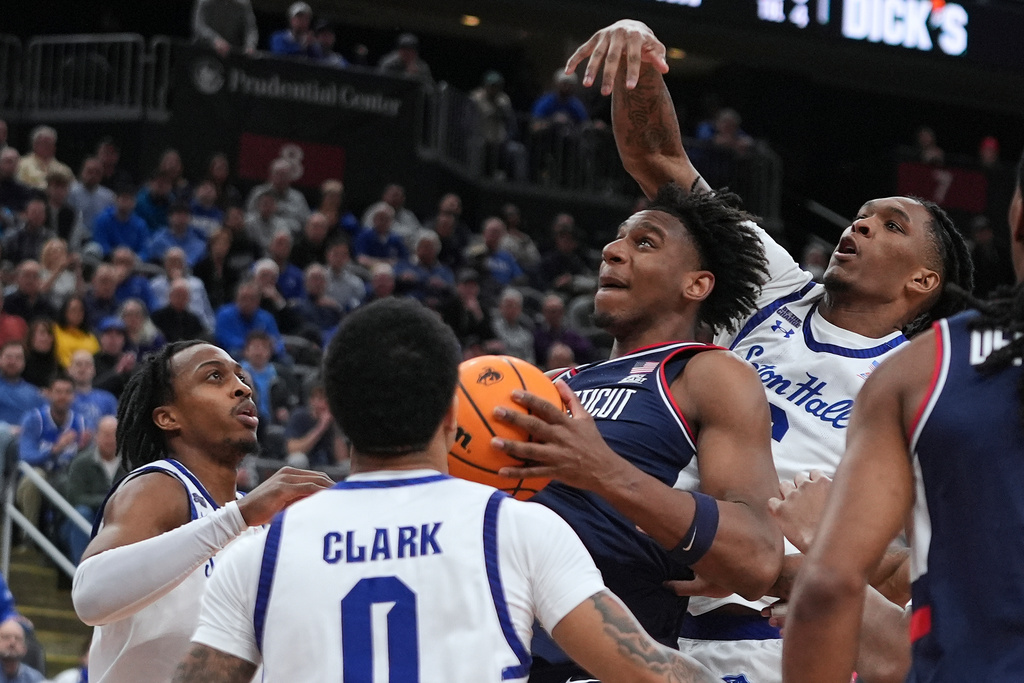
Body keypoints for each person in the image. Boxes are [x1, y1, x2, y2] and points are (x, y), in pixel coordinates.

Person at [569, 19, 975, 680]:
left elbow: (931, 567)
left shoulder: (926, 380)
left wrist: (799, 561)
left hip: (782, 627)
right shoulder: (776, 287)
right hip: (660, 591)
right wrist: (640, 48)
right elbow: (660, 162)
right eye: (863, 214)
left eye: (889, 224)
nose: (861, 223)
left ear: (922, 281)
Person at [174, 297, 716, 683]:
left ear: (335, 416)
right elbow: (653, 672)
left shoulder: (258, 552)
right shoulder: (519, 531)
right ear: (452, 414)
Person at [488, 184, 782, 681]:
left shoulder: (705, 374)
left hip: (608, 664)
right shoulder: (558, 382)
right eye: (618, 239)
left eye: (645, 242)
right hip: (500, 652)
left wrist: (603, 471)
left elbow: (757, 555)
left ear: (696, 285)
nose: (612, 250)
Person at [782, 147, 1024, 683]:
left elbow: (830, 587)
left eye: (890, 224)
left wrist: (819, 539)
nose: (862, 228)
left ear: (1017, 216)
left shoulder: (930, 367)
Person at [70, 341, 334, 682]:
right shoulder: (161, 486)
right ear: (168, 417)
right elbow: (91, 596)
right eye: (214, 376)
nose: (242, 387)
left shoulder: (257, 523)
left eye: (241, 377)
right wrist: (237, 516)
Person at [17, 373, 88, 532]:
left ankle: (63, 537)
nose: (63, 396)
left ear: (74, 396)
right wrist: (55, 449)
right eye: (58, 391)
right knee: (34, 478)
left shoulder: (81, 423)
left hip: (67, 475)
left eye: (68, 392)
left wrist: (85, 447)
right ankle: (29, 535)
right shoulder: (34, 419)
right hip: (40, 473)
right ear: (48, 393)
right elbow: (25, 456)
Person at [65, 416, 125, 565]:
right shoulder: (81, 462)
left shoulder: (130, 463)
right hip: (90, 519)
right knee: (81, 512)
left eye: (114, 434)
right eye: (105, 434)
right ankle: (80, 572)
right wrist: (110, 501)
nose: (110, 439)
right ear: (96, 436)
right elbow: (75, 498)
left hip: (120, 519)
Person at [215, 281, 285, 358]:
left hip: (264, 356)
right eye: (243, 298)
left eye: (252, 299)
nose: (247, 302)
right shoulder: (224, 314)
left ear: (258, 301)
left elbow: (277, 341)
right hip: (236, 354)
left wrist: (272, 347)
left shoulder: (266, 317)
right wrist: (253, 347)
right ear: (236, 299)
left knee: (285, 360)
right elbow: (224, 339)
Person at [282, 382, 344, 469]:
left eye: (328, 400)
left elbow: (342, 458)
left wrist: (335, 428)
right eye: (320, 399)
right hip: (305, 465)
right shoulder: (300, 416)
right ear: (312, 400)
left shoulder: (334, 421)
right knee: (298, 459)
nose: (324, 404)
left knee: (347, 465)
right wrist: (321, 427)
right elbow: (292, 449)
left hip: (328, 467)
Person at [244, 159, 310, 235]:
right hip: (259, 237)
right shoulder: (258, 193)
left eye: (284, 175)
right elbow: (247, 217)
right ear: (271, 175)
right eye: (278, 174)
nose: (281, 178)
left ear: (290, 177)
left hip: (290, 239)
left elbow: (306, 222)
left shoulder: (298, 198)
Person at [90, 183, 149, 259]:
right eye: (123, 199)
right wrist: (117, 254)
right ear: (116, 200)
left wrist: (133, 257)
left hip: (132, 262)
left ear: (134, 203)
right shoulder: (102, 219)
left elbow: (144, 249)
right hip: (106, 259)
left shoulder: (140, 225)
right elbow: (100, 243)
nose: (126, 203)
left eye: (129, 199)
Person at [359, 183, 422, 250]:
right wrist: (406, 236)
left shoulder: (408, 215)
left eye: (399, 196)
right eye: (394, 195)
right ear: (384, 196)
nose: (396, 199)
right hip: (378, 249)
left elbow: (418, 233)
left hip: (404, 251)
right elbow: (368, 232)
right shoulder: (375, 211)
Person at [68, 350, 117, 435]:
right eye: (78, 364)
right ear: (70, 370)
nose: (83, 369)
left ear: (94, 370)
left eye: (87, 364)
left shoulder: (108, 399)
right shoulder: (62, 398)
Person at [148, 201, 208, 268]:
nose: (182, 218)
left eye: (185, 215)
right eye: (178, 214)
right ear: (169, 217)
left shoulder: (199, 244)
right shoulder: (158, 239)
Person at [192, 0, 258, 57]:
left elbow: (251, 29)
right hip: (203, 49)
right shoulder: (205, 1)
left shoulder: (243, 3)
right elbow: (199, 26)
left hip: (230, 53)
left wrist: (250, 46)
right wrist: (215, 39)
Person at [16, 126, 72, 191]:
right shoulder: (21, 164)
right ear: (34, 145)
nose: (47, 146)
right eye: (44, 143)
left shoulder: (64, 169)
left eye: (50, 143)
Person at [68, 157, 115, 233]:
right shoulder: (70, 191)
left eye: (97, 172)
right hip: (74, 234)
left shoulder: (108, 196)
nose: (93, 175)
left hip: (99, 236)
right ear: (82, 171)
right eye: (90, 171)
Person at [92, 317, 135, 398]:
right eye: (108, 334)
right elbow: (92, 387)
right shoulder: (93, 361)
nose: (113, 339)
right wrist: (117, 371)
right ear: (100, 338)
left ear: (124, 339)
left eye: (118, 334)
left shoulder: (129, 362)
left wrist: (130, 373)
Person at [3, 198, 54, 265]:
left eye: (41, 213)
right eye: (34, 212)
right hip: (17, 272)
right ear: (26, 214)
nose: (37, 216)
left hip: (42, 272)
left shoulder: (50, 237)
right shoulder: (13, 235)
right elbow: (4, 257)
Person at [53, 297, 99, 368]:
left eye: (81, 310)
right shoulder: (54, 331)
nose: (77, 313)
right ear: (65, 311)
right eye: (73, 310)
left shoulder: (91, 336)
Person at [0, 619, 44, 683]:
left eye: (18, 638)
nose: (12, 642)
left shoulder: (36, 679)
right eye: (6, 637)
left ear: (25, 648)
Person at [21, 321, 57, 390]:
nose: (46, 338)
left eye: (49, 334)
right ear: (31, 337)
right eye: (42, 333)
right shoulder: (22, 360)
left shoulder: (55, 364)